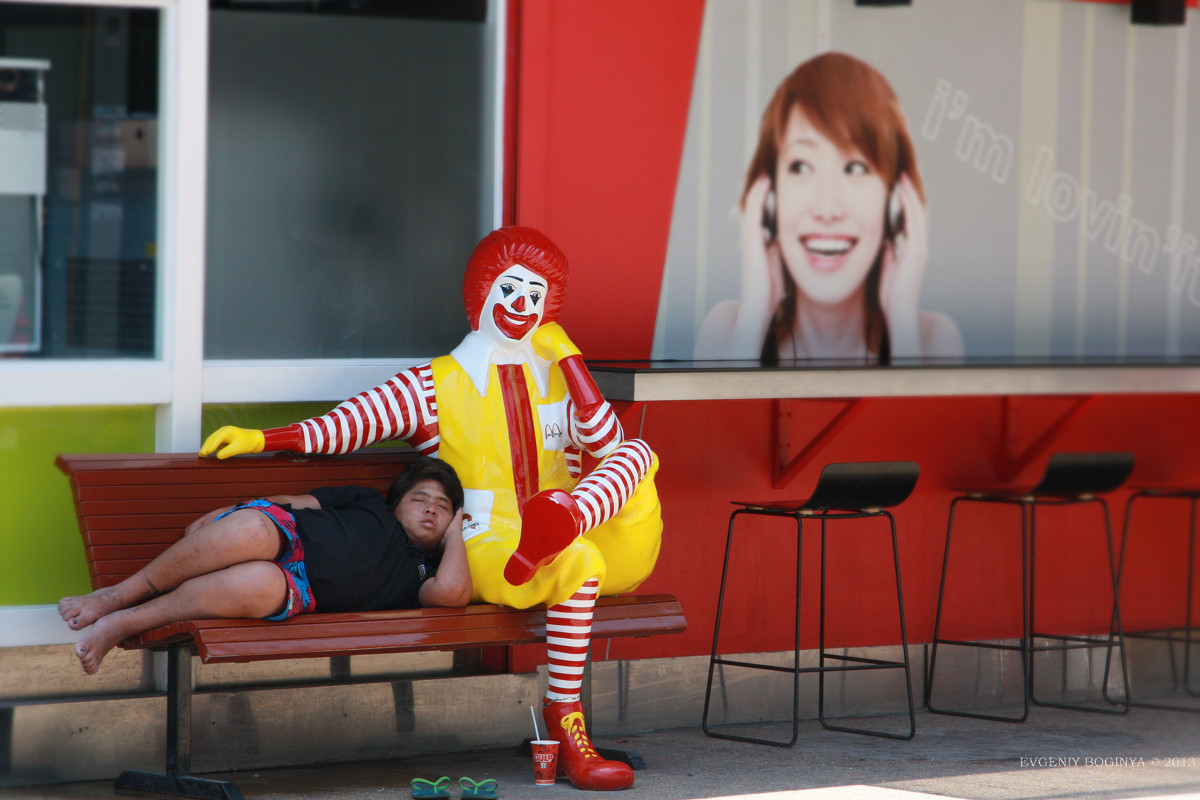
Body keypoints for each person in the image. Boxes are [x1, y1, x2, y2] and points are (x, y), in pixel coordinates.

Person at [199, 226, 662, 792]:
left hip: (582, 530)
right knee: (581, 562)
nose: (523, 307)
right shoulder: (433, 385)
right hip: (492, 542)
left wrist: (568, 356)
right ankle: (569, 729)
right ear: (482, 292)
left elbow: (606, 446)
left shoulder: (556, 378)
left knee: (635, 451)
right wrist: (265, 438)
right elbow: (348, 424)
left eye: (537, 297)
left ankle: (569, 515)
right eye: (512, 289)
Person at [58, 456, 470, 675]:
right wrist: (233, 511)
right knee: (254, 528)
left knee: (259, 586)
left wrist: (457, 537)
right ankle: (115, 596)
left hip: (299, 590)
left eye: (442, 507)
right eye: (420, 499)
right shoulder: (368, 502)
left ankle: (123, 622)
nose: (430, 510)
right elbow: (298, 502)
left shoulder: (423, 573)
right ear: (396, 501)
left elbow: (453, 595)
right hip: (288, 532)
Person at [694, 51, 963, 363]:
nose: (827, 208)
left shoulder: (933, 340)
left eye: (855, 168)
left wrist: (903, 336)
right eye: (801, 167)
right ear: (769, 200)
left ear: (895, 203)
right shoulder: (728, 329)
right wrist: (754, 319)